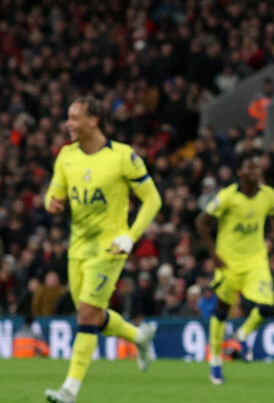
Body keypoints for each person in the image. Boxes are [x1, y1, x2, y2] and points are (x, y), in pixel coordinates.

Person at [43, 97, 161, 403]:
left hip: (111, 247)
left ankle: (69, 390)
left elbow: (153, 200)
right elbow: (53, 195)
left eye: (74, 117)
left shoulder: (123, 156)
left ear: (93, 120)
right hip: (78, 247)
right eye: (68, 118)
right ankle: (140, 337)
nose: (68, 123)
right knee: (93, 314)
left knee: (85, 313)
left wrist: (131, 237)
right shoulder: (66, 156)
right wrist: (52, 204)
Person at [197, 154, 274, 385]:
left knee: (267, 306)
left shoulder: (268, 195)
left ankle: (242, 335)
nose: (254, 172)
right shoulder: (227, 197)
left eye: (257, 168)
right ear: (240, 173)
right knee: (222, 310)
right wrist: (214, 254)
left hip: (256, 260)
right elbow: (201, 221)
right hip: (229, 262)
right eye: (249, 168)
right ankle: (215, 361)